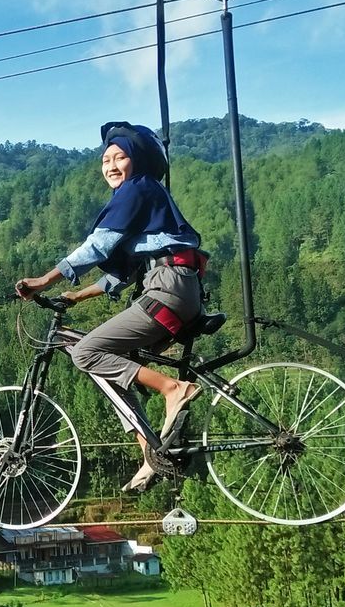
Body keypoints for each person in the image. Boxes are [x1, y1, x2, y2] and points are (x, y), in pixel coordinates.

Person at [15, 121, 207, 491]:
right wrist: (76, 295)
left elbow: (98, 247)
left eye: (121, 157)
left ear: (138, 162)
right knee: (108, 370)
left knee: (86, 352)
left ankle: (173, 389)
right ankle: (153, 452)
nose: (112, 165)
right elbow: (121, 273)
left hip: (167, 288)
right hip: (175, 288)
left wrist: (44, 280)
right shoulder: (144, 201)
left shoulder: (138, 189)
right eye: (106, 159)